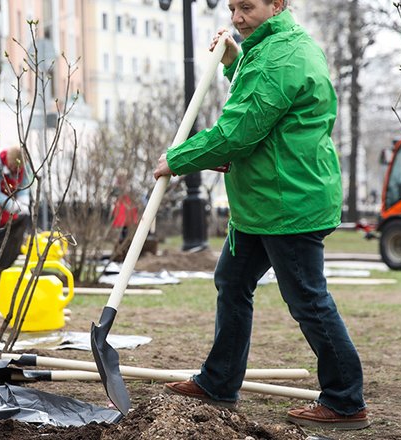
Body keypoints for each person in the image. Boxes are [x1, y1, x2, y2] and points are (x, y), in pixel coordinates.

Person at [153, 0, 369, 430]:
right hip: (266, 200)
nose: (235, 17)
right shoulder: (280, 47)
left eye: (246, 7)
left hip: (288, 202)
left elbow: (239, 130)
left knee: (308, 299)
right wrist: (234, 60)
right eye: (232, 7)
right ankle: (219, 382)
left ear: (277, 4)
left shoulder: (280, 55)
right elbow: (265, 103)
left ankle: (346, 401)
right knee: (232, 282)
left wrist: (178, 159)